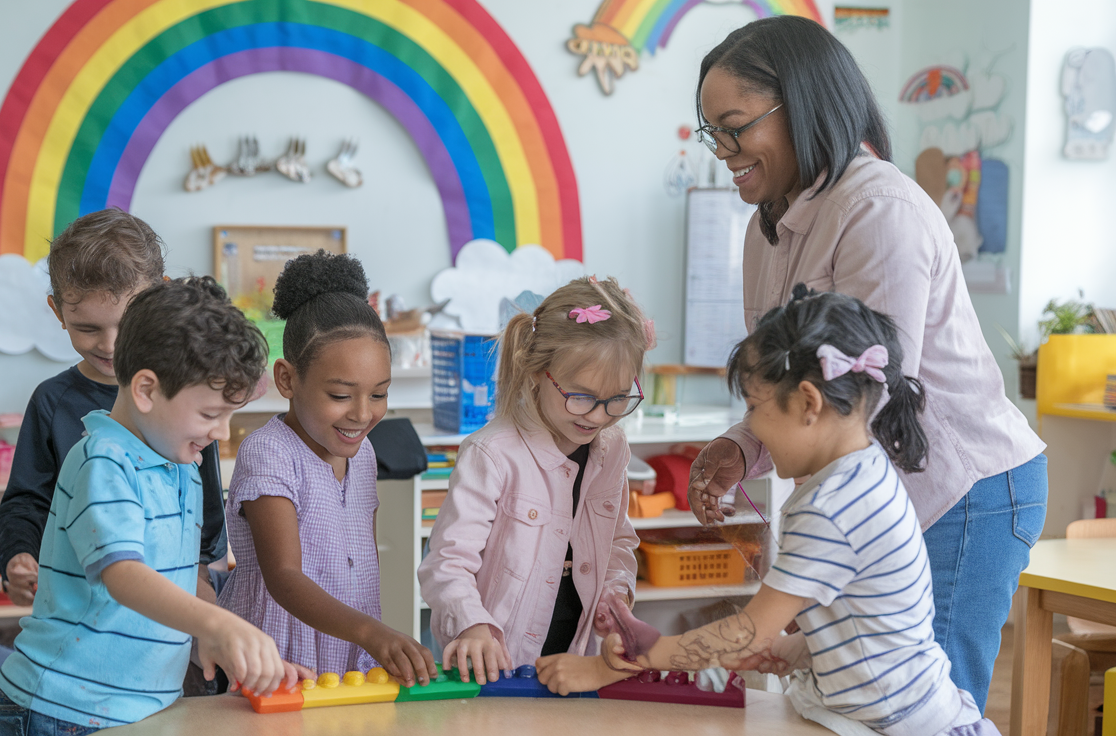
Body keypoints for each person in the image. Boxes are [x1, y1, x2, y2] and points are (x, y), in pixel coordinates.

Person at [684, 16, 1046, 712]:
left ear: (801, 104)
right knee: (849, 698)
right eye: (712, 132)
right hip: (878, 491)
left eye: (735, 126)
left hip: (959, 488)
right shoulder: (768, 228)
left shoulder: (879, 211)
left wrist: (806, 566)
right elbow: (788, 384)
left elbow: (859, 396)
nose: (723, 150)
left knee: (919, 708)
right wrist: (742, 445)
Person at [542, 287, 1001, 736]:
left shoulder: (832, 506)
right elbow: (873, 617)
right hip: (891, 712)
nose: (752, 425)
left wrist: (630, 659)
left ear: (807, 402)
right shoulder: (862, 475)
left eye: (755, 406)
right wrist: (798, 650)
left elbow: (749, 631)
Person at [0, 277, 311, 735]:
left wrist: (219, 641)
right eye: (209, 415)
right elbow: (124, 576)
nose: (222, 432)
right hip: (61, 708)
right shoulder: (104, 459)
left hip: (133, 706)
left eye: (229, 416)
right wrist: (220, 624)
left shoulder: (179, 460)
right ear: (145, 390)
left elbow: (177, 577)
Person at [0, 209, 228, 618]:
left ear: (162, 299)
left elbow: (206, 501)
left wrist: (205, 578)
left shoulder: (184, 394)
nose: (110, 345)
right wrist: (19, 555)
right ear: (57, 311)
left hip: (176, 606)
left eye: (126, 322)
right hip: (81, 611)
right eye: (87, 328)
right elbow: (26, 501)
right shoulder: (52, 402)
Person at [216, 251, 436, 686]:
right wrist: (371, 632)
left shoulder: (364, 453)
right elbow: (284, 576)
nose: (361, 414)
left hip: (346, 661)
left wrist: (373, 639)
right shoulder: (269, 453)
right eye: (340, 395)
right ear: (287, 380)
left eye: (379, 394)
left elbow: (361, 565)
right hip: (279, 664)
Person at [417, 276, 648, 684]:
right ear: (539, 372)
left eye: (616, 399)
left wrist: (616, 594)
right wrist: (472, 625)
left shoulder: (611, 449)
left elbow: (617, 541)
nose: (596, 416)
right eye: (580, 396)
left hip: (572, 658)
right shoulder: (492, 453)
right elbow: (447, 563)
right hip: (492, 661)